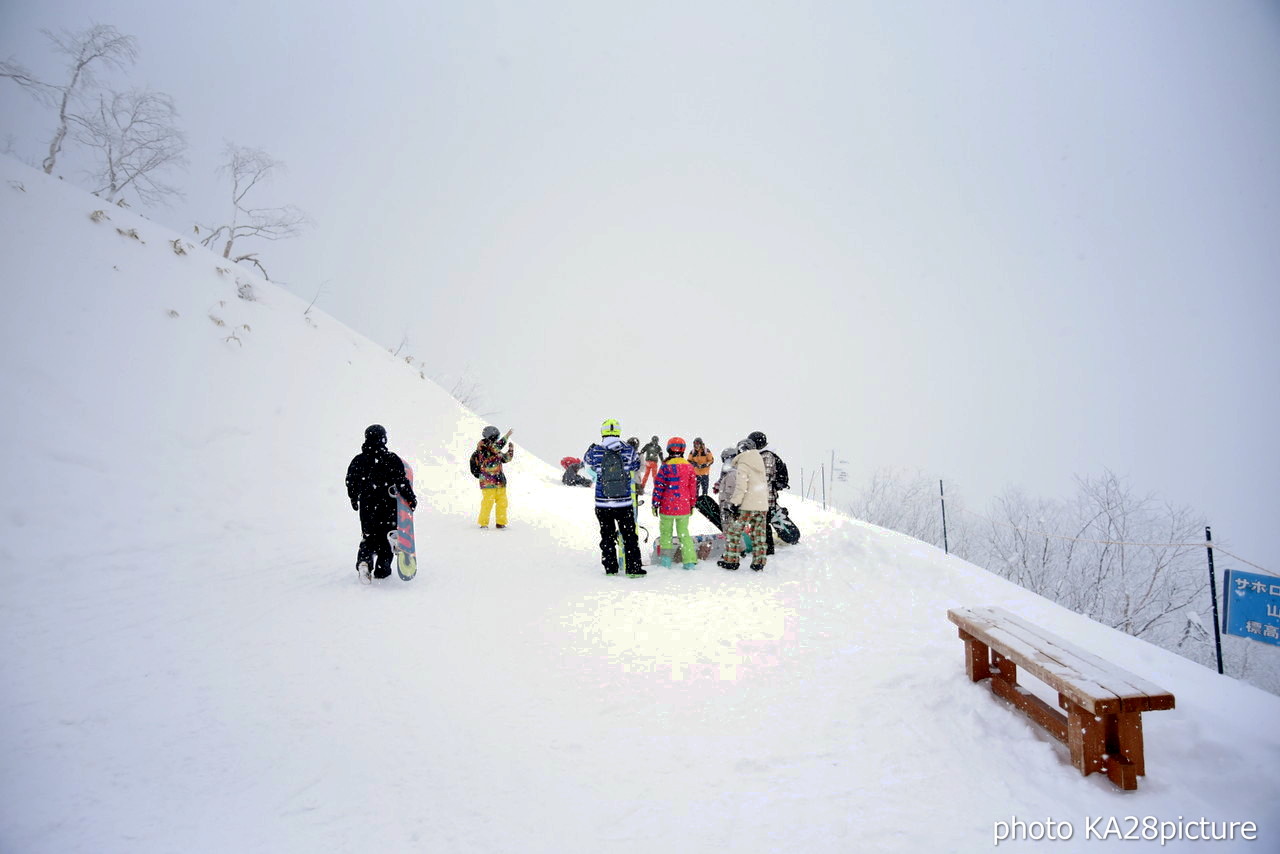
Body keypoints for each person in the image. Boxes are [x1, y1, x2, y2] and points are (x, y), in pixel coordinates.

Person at [346, 424, 417, 582]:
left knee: (369, 537)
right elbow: (401, 481)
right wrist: (411, 499)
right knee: (386, 536)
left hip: (367, 506)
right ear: (384, 438)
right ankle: (382, 570)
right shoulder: (391, 458)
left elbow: (351, 482)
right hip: (388, 504)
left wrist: (354, 498)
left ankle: (364, 562)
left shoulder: (358, 460)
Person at [583, 419, 645, 576]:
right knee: (629, 536)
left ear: (603, 432)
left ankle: (610, 568)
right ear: (619, 431)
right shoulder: (628, 450)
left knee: (607, 536)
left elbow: (586, 462)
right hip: (624, 502)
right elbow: (637, 466)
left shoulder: (596, 451)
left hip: (603, 503)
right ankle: (633, 568)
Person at [718, 439, 770, 571]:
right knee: (759, 535)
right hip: (761, 506)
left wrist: (735, 503)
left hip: (747, 506)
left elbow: (742, 486)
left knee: (733, 533)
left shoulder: (743, 464)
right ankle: (759, 562)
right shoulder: (759, 463)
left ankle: (731, 561)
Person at [651, 437, 699, 569]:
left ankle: (666, 562)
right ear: (683, 450)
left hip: (667, 507)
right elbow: (692, 488)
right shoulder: (689, 467)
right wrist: (692, 503)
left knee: (666, 534)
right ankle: (689, 562)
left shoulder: (665, 467)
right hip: (683, 507)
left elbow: (658, 486)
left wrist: (655, 504)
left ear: (668, 449)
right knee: (684, 534)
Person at [748, 430, 790, 556]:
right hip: (763, 496)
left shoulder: (766, 456)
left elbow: (764, 477)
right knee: (761, 523)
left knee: (763, 523)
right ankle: (765, 547)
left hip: (766, 497)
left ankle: (768, 549)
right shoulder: (761, 455)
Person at [475, 425, 515, 529]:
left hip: (499, 481)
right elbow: (496, 447)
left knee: (502, 503)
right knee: (487, 502)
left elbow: (506, 459)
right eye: (496, 437)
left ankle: (501, 523)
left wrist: (511, 449)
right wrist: (506, 436)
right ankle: (483, 523)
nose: (496, 439)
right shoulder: (483, 446)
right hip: (488, 481)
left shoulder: (495, 449)